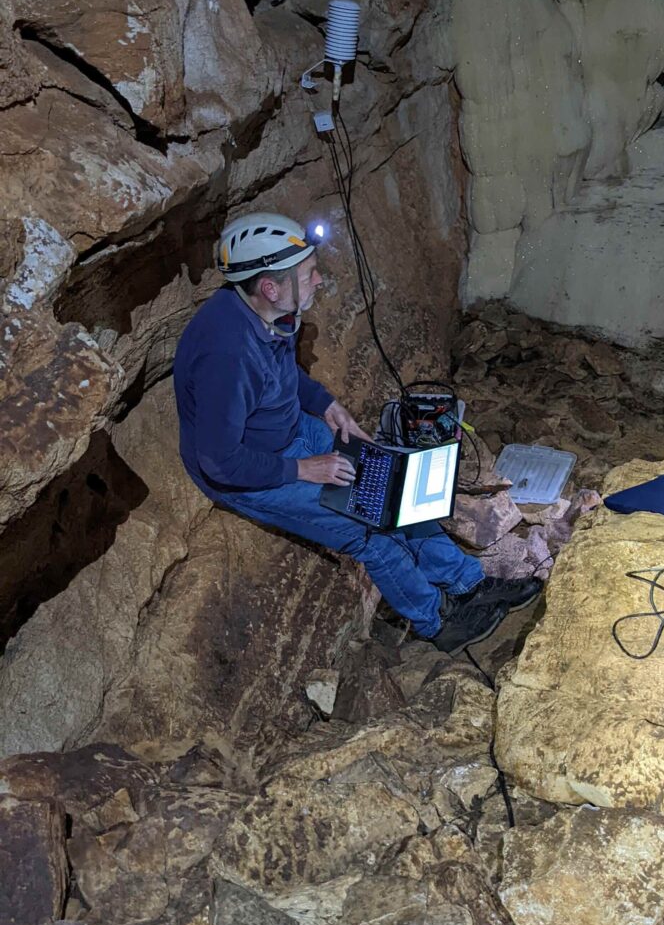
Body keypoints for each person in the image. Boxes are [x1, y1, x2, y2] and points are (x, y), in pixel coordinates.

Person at [173, 211, 539, 653]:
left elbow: (283, 378)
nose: (320, 280)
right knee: (370, 529)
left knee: (395, 487)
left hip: (289, 432)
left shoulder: (273, 312)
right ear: (271, 286)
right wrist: (304, 470)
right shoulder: (227, 355)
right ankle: (437, 622)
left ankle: (468, 584)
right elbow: (219, 459)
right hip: (248, 471)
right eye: (309, 274)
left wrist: (328, 406)